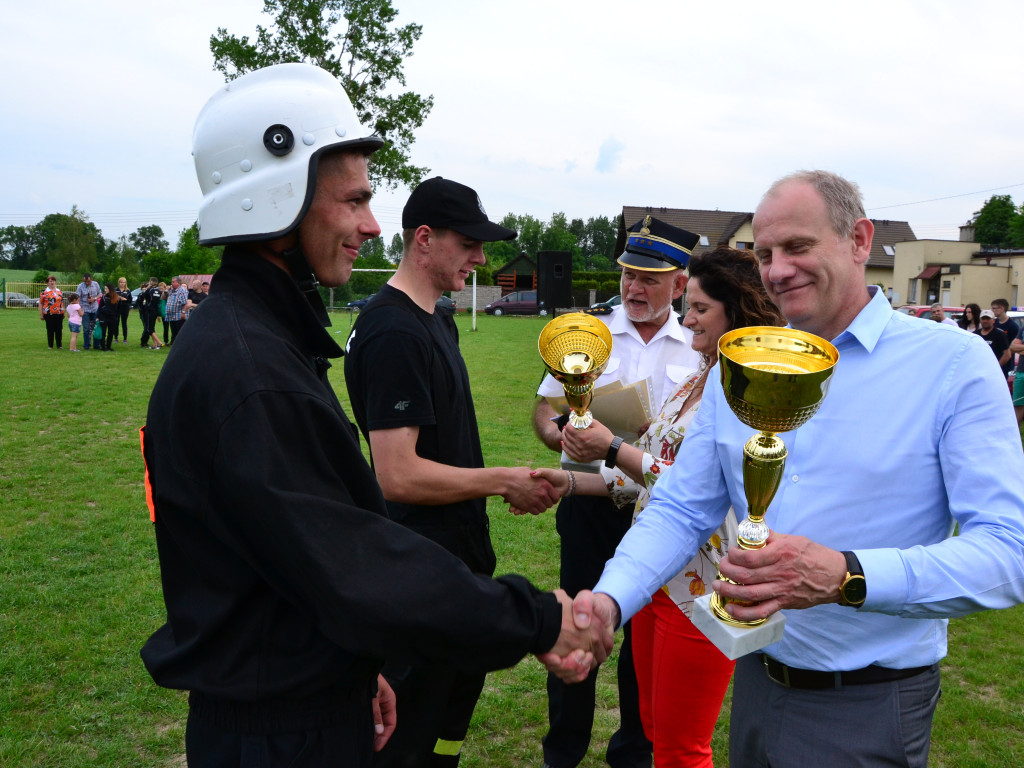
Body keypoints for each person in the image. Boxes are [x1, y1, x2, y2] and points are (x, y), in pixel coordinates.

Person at [140, 62, 607, 768]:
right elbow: (354, 559)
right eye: (353, 200)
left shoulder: (259, 342)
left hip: (302, 704)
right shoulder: (251, 370)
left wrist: (351, 668)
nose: (370, 223)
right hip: (280, 739)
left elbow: (301, 561)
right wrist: (537, 618)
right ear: (277, 196)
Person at [566, 170, 1024, 768]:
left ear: (860, 240)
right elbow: (680, 508)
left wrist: (844, 576)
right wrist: (610, 600)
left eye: (798, 247)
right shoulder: (741, 364)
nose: (778, 269)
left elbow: (1007, 554)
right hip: (755, 679)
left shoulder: (953, 363)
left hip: (870, 700)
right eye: (764, 253)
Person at [534, 247, 785, 767]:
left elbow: (695, 494)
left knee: (681, 748)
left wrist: (610, 447)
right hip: (655, 571)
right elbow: (649, 482)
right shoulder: (701, 376)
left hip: (701, 582)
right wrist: (567, 483)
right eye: (688, 306)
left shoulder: (746, 392)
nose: (687, 318)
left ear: (735, 314)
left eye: (698, 309)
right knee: (653, 726)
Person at [344, 176, 561, 768]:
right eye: (468, 243)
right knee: (408, 739)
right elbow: (396, 475)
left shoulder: (434, 319)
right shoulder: (392, 330)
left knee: (446, 732)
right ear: (423, 239)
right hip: (418, 573)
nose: (482, 258)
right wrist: (501, 480)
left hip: (456, 561)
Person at [532, 215, 702, 768]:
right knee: (579, 626)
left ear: (679, 283)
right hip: (589, 504)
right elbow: (543, 410)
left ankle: (634, 749)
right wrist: (560, 433)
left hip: (659, 514)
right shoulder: (589, 333)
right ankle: (564, 750)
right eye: (629, 274)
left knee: (645, 644)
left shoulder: (700, 347)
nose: (634, 287)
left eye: (650, 279)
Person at [991, 298, 1019, 377]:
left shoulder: (1012, 326)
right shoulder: (994, 323)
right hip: (993, 358)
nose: (992, 310)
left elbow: (1013, 347)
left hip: (1006, 364)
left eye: (994, 308)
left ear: (1002, 309)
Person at [76, 272, 102, 351]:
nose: (87, 283)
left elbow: (100, 294)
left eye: (88, 281)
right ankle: (86, 345)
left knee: (96, 327)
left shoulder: (96, 284)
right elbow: (77, 298)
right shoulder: (80, 286)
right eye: (85, 281)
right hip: (85, 310)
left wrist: (94, 298)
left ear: (91, 279)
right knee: (86, 328)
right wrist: (79, 309)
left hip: (94, 309)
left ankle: (96, 344)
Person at [39, 275, 65, 349]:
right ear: (47, 283)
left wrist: (63, 311)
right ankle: (50, 345)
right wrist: (41, 314)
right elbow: (41, 303)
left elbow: (61, 302)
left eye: (53, 281)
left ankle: (59, 345)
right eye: (50, 281)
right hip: (48, 313)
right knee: (50, 329)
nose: (52, 282)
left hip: (59, 313)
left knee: (59, 329)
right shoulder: (44, 292)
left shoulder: (59, 291)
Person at [137, 278, 163, 349]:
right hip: (155, 310)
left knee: (149, 329)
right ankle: (154, 345)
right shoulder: (159, 290)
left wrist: (147, 289)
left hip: (149, 310)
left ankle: (159, 343)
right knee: (152, 327)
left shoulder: (149, 290)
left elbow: (143, 296)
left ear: (151, 282)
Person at [97, 282, 121, 351]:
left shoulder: (116, 297)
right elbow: (100, 307)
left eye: (106, 288)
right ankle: (103, 346)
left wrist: (116, 316)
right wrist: (98, 317)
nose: (105, 290)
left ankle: (108, 346)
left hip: (112, 317)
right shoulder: (104, 297)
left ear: (110, 289)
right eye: (104, 288)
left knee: (111, 332)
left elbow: (118, 308)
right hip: (104, 317)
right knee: (103, 332)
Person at [164, 276, 188, 344]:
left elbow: (185, 303)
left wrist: (183, 312)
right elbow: (162, 297)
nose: (171, 283)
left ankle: (180, 343)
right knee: (173, 331)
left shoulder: (182, 291)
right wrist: (166, 290)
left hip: (179, 315)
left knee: (179, 331)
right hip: (172, 315)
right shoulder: (171, 290)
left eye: (173, 282)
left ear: (178, 283)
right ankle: (174, 343)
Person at [115, 277, 132, 343]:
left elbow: (130, 300)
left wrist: (125, 300)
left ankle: (125, 338)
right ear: (119, 283)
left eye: (124, 282)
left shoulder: (128, 291)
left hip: (125, 308)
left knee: (124, 323)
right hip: (117, 308)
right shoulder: (116, 290)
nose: (122, 284)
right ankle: (116, 337)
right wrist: (118, 298)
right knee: (116, 323)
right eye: (121, 282)